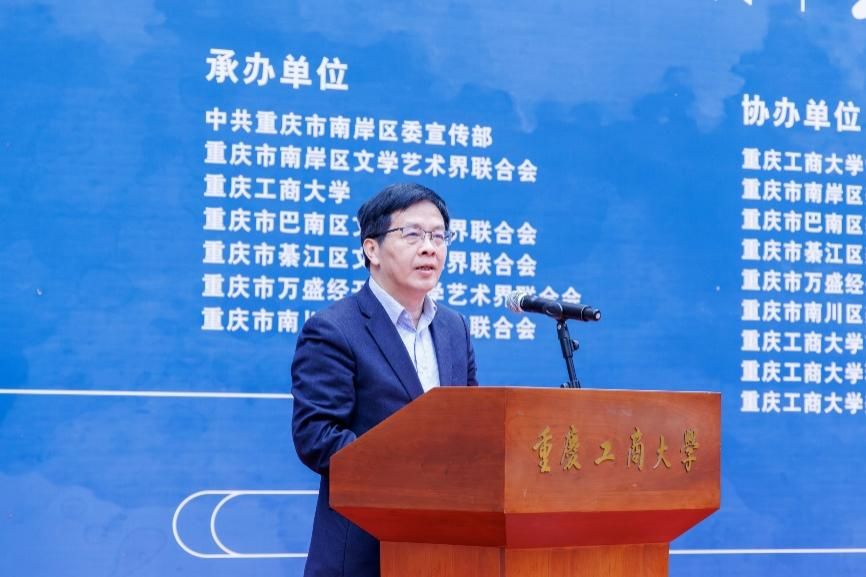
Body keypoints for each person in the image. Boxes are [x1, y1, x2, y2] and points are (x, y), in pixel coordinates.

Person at [291, 182, 478, 577]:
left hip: (446, 550)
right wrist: (416, 473)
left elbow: (473, 425)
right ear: (371, 249)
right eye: (412, 234)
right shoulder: (334, 329)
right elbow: (318, 437)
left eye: (439, 236)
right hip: (364, 551)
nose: (429, 248)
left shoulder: (454, 329)